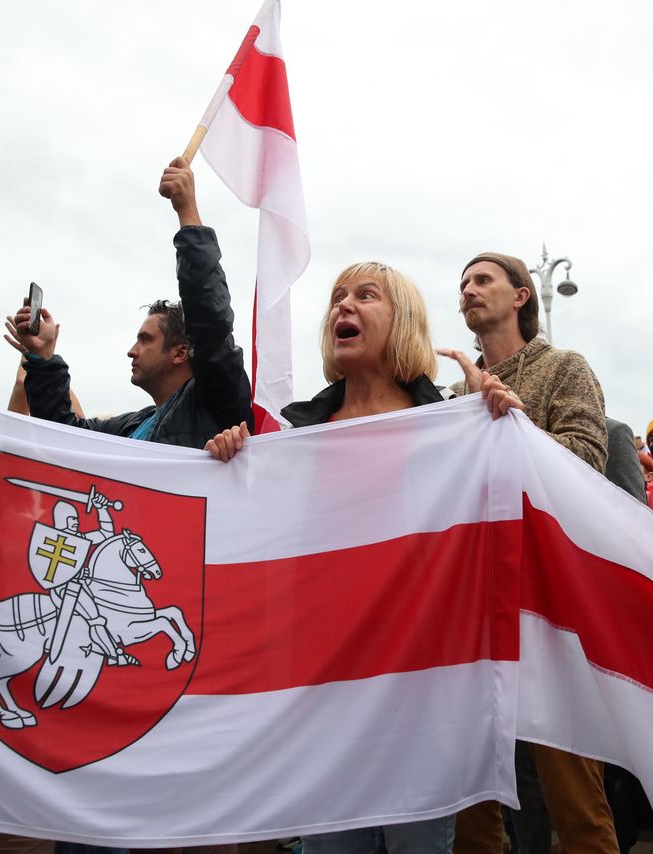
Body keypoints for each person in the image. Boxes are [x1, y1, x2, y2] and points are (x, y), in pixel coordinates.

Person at [206, 261, 463, 854]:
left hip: (418, 693)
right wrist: (236, 465)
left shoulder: (451, 426)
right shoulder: (296, 436)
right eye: (337, 297)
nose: (342, 307)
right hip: (326, 692)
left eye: (365, 296)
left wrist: (499, 418)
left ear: (404, 322)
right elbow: (262, 541)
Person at [437, 252, 616, 854]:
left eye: (482, 279)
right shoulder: (447, 398)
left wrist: (515, 422)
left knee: (575, 798)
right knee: (471, 802)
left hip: (548, 603)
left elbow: (588, 462)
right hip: (471, 607)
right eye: (462, 282)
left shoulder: (564, 368)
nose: (468, 289)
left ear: (521, 296)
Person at [8, 156, 251, 449]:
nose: (131, 351)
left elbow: (209, 319)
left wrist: (187, 212)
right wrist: (43, 359)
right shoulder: (131, 426)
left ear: (180, 352)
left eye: (145, 340)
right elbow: (67, 437)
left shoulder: (211, 402)